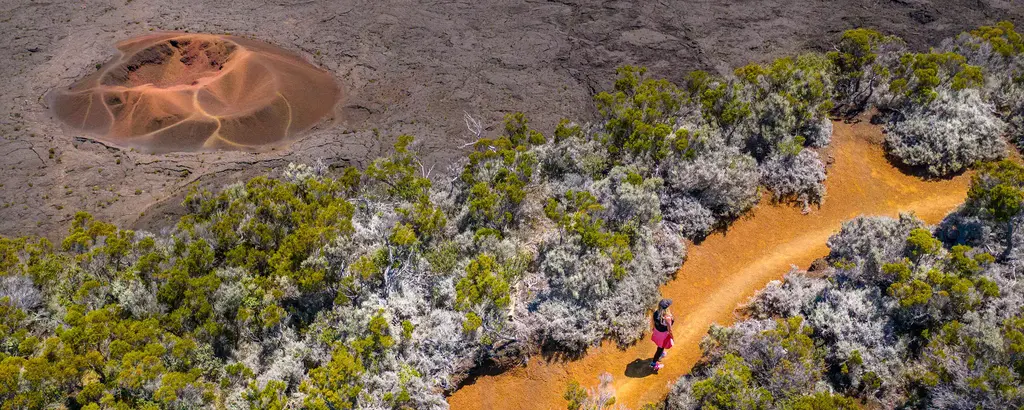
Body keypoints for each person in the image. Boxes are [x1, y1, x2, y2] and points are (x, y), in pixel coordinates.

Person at [650, 298, 674, 371]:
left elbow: (653, 322)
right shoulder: (667, 318)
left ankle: (661, 353)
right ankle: (653, 364)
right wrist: (672, 337)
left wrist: (654, 329)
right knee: (659, 349)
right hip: (663, 335)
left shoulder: (656, 313)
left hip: (657, 332)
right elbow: (669, 329)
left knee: (660, 345)